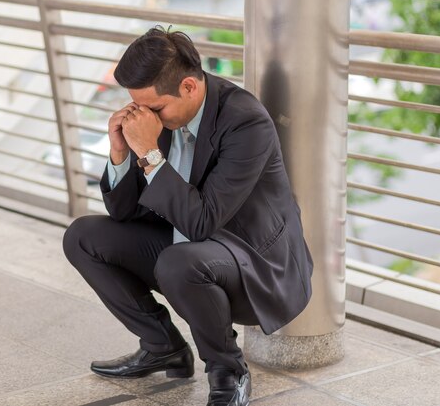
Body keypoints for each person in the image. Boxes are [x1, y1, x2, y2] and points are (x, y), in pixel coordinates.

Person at [63, 26, 314, 406]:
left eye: (156, 108)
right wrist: (119, 153)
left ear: (189, 88)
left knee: (179, 262)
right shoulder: (161, 117)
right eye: (142, 108)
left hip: (251, 264)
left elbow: (201, 222)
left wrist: (148, 151)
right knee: (83, 236)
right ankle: (162, 346)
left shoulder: (246, 122)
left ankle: (228, 370)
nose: (149, 119)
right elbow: (123, 212)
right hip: (185, 250)